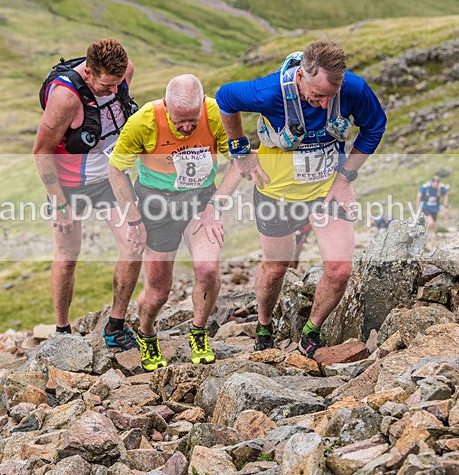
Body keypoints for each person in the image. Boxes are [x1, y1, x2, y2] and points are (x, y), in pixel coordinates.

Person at [215, 37, 387, 358]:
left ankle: (311, 330)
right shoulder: (269, 92)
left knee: (339, 270)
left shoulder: (353, 89)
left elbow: (375, 127)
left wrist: (345, 178)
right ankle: (264, 326)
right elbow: (225, 98)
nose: (323, 104)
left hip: (327, 192)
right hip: (275, 193)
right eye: (318, 95)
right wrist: (240, 152)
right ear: (301, 76)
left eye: (331, 96)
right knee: (275, 267)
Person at [108, 74, 241, 371]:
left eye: (193, 120)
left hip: (199, 201)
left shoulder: (216, 113)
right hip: (156, 206)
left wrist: (215, 205)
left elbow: (239, 162)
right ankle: (147, 333)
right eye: (180, 121)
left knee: (207, 269)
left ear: (202, 104)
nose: (187, 128)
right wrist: (133, 219)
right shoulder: (143, 122)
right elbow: (116, 171)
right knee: (158, 291)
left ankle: (198, 333)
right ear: (166, 106)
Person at [33, 38, 142, 349]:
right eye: (106, 86)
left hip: (111, 178)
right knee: (68, 258)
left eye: (117, 84)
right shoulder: (65, 98)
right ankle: (62, 330)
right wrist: (59, 204)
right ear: (89, 72)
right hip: (70, 186)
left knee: (134, 245)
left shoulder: (124, 72)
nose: (113, 91)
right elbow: (41, 152)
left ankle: (116, 326)